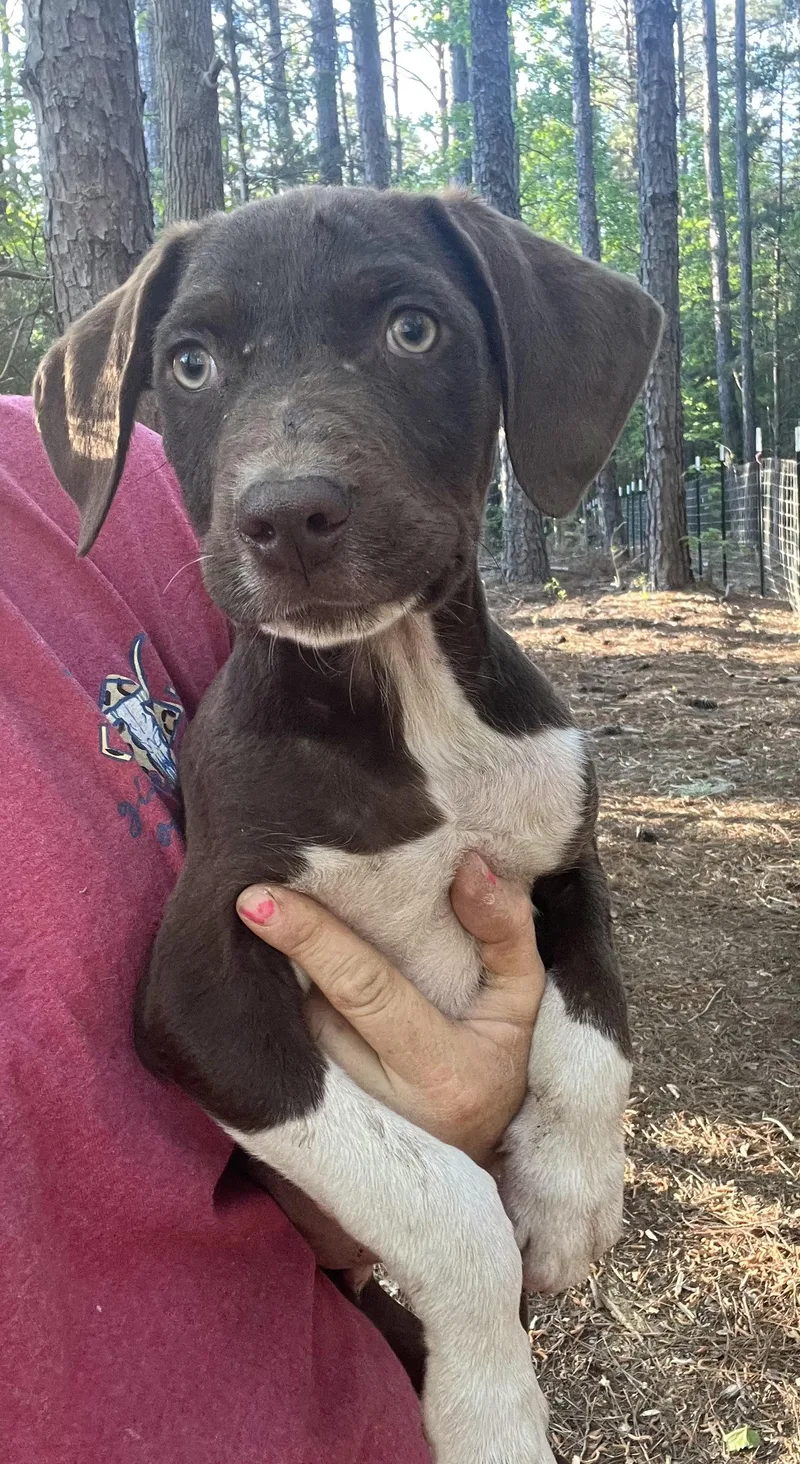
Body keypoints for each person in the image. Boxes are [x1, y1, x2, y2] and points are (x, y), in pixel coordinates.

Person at [0, 394, 546, 1464]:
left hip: (345, 1406)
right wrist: (455, 1243)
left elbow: (461, 847)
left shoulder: (109, 478)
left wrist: (482, 1103)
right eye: (195, 361)